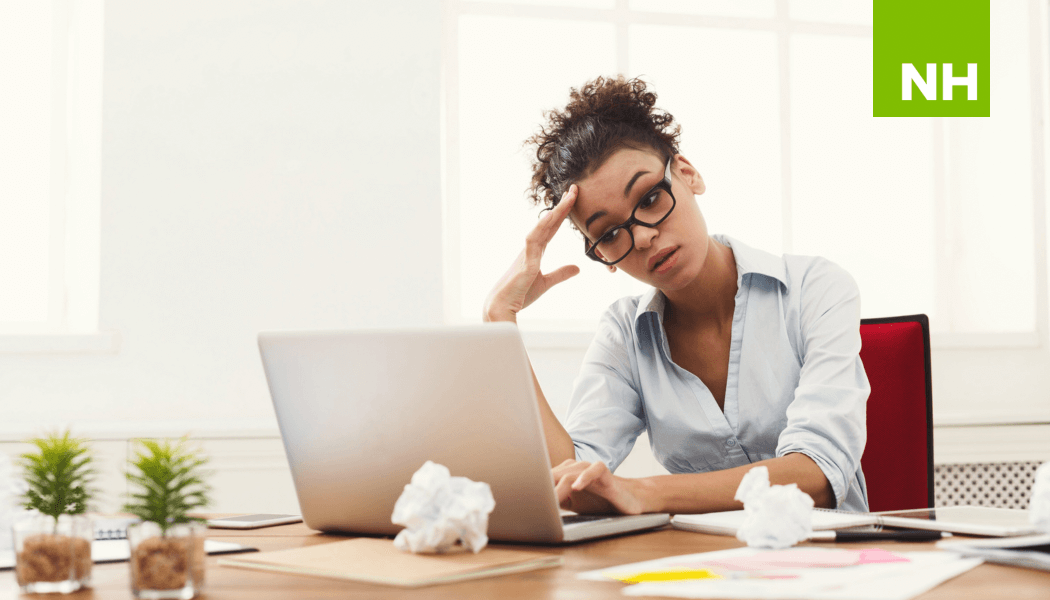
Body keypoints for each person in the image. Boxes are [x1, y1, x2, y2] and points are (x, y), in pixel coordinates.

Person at [483, 75, 870, 515]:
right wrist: (502, 319)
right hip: (698, 566)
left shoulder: (814, 288)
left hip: (830, 563)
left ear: (687, 175)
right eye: (610, 233)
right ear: (603, 255)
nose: (645, 237)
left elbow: (818, 474)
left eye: (649, 198)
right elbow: (568, 478)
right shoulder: (623, 334)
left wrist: (645, 493)